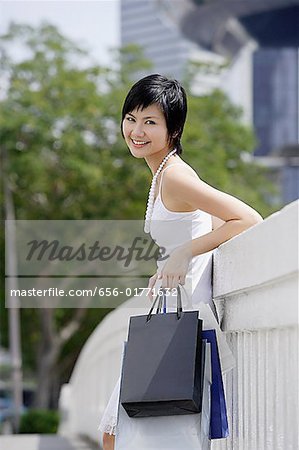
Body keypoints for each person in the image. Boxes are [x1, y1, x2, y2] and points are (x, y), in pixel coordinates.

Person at [99, 74, 263, 450]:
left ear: (173, 130)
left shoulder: (174, 176)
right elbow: (211, 222)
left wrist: (185, 252)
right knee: (129, 432)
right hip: (176, 313)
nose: (136, 131)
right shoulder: (162, 174)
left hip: (184, 319)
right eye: (131, 118)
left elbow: (248, 218)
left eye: (150, 122)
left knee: (125, 432)